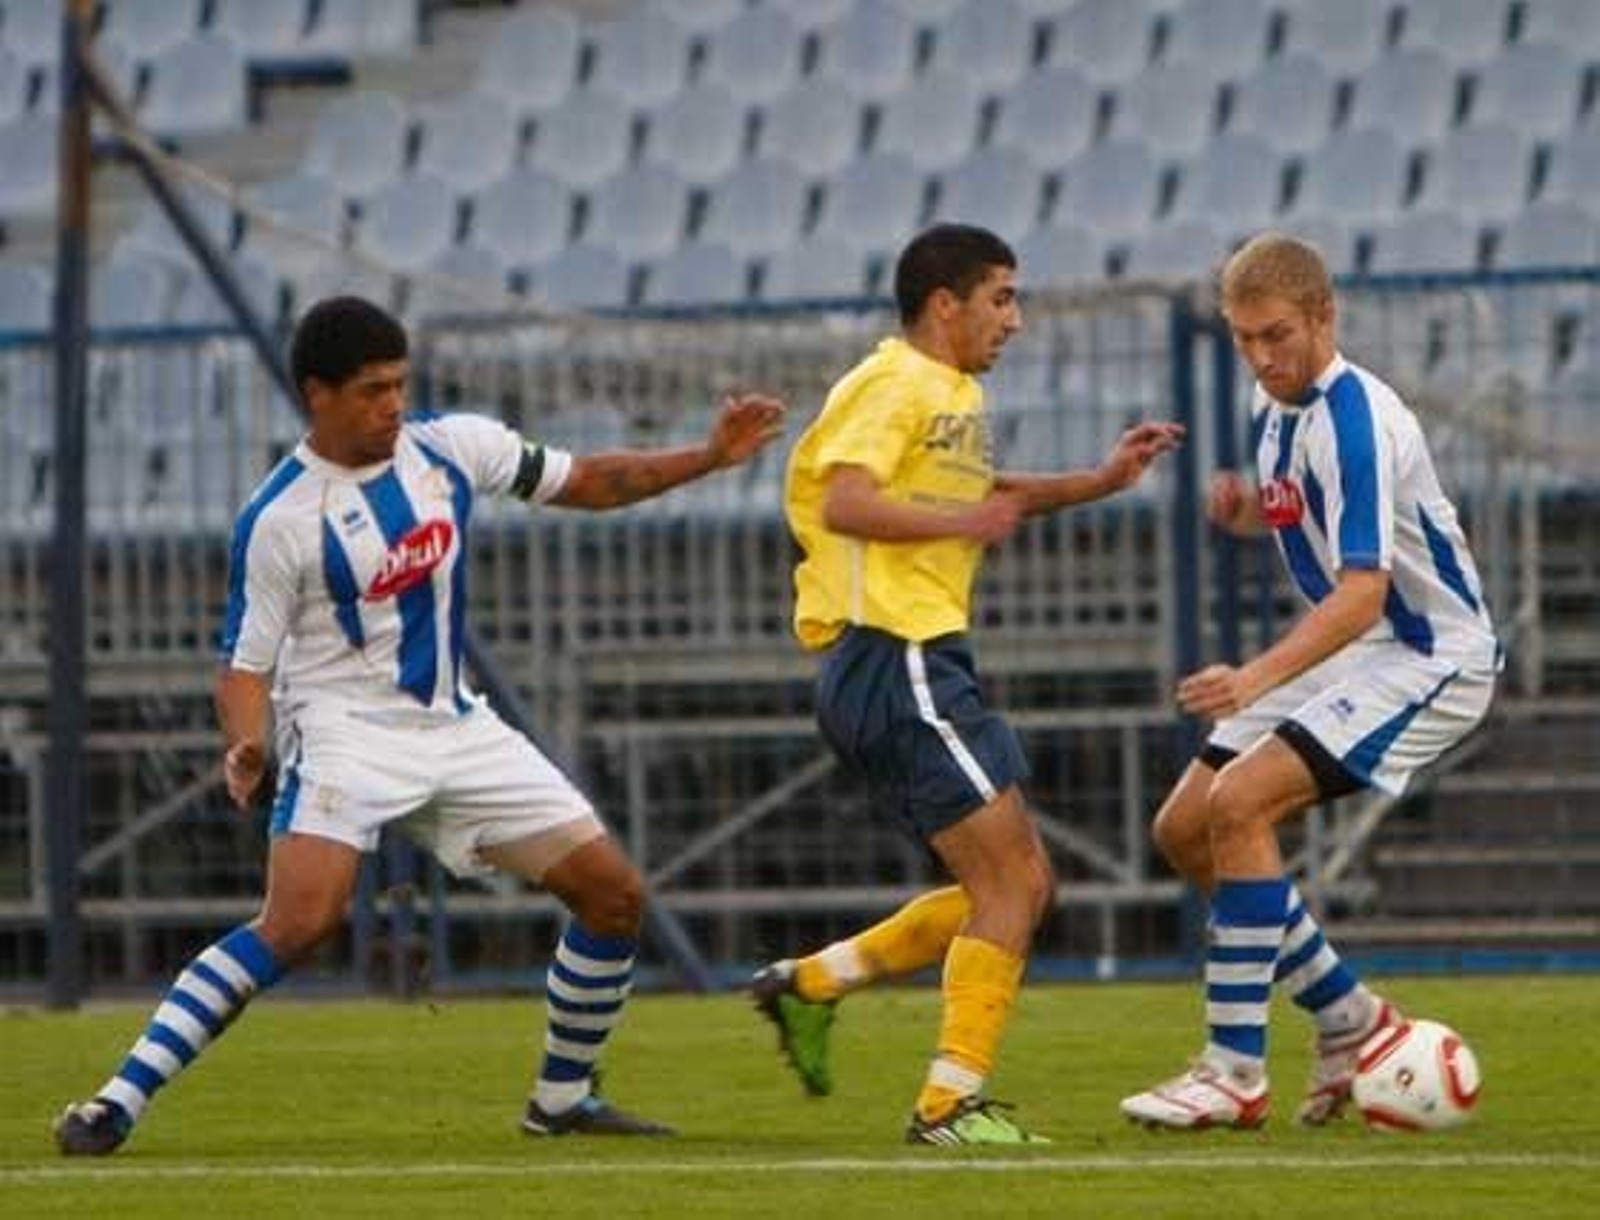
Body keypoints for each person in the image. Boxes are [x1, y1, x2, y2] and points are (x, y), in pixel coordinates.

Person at [55, 296, 787, 1155]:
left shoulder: (449, 447)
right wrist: (245, 742)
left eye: (400, 384)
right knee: (297, 922)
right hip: (343, 737)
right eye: (371, 390)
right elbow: (243, 664)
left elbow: (584, 480)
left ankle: (562, 1099)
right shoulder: (282, 518)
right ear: (317, 394)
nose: (393, 404)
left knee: (614, 895)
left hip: (455, 726)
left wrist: (706, 456)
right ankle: (115, 1101)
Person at [750, 223, 1184, 1145]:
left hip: (917, 661)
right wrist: (966, 518)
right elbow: (846, 501)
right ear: (944, 303)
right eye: (1001, 297)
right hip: (894, 654)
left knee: (1022, 884)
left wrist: (1106, 477)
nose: (1015, 321)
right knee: (1013, 883)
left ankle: (814, 985)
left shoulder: (947, 395)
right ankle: (947, 1105)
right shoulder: (893, 381)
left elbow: (999, 493)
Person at [1119, 232, 1500, 1130]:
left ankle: (1233, 1071)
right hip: (1365, 649)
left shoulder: (1358, 418)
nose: (1260, 355)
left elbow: (1364, 594)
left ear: (1326, 316)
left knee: (1240, 804)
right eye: (1244, 337)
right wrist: (1249, 511)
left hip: (1431, 656)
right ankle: (1349, 1021)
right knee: (1183, 828)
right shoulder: (1275, 406)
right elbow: (1318, 528)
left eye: (1276, 335)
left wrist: (1251, 679)